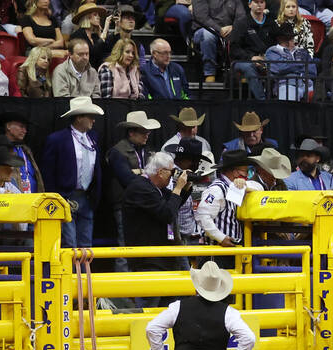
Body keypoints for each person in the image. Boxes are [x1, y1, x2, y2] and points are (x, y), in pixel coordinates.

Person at [40, 96, 104, 251]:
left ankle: (84, 275)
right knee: (70, 244)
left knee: (86, 245)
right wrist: (55, 198)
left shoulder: (93, 138)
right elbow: (48, 173)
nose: (93, 121)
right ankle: (71, 275)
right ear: (79, 117)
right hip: (65, 196)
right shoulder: (57, 139)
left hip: (87, 197)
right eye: (90, 117)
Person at [121, 151, 192, 285]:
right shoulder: (141, 188)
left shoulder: (154, 188)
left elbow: (173, 204)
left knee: (169, 303)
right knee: (150, 303)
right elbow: (167, 214)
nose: (172, 177)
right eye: (171, 172)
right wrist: (178, 187)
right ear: (160, 172)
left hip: (161, 257)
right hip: (148, 260)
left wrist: (186, 186)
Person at [107, 110, 160, 246]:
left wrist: (139, 172)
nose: (147, 135)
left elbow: (157, 174)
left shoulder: (148, 150)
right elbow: (127, 179)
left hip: (145, 204)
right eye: (143, 131)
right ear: (131, 132)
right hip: (125, 205)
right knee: (125, 245)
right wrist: (147, 175)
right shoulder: (117, 152)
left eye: (148, 132)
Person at [196, 149, 253, 266]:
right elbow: (202, 216)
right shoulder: (217, 189)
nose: (248, 175)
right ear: (236, 172)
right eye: (246, 171)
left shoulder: (236, 188)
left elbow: (258, 188)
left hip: (229, 253)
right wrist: (221, 238)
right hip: (216, 254)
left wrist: (246, 185)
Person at [0, 111, 43, 193]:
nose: (25, 131)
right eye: (21, 127)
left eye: (25, 128)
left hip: (33, 198)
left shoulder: (26, 150)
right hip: (13, 199)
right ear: (8, 126)